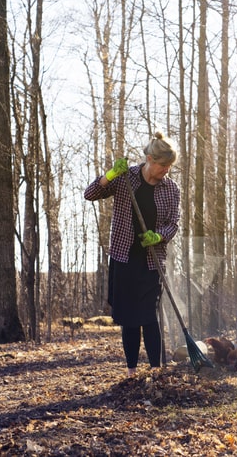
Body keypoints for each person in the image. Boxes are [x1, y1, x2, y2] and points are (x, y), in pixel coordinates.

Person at [84, 132, 179, 377]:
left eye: (169, 166)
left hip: (152, 260)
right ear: (149, 159)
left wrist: (158, 236)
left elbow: (173, 223)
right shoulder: (126, 178)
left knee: (149, 314)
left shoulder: (171, 189)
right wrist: (110, 175)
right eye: (163, 165)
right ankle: (131, 371)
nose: (166, 171)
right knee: (129, 317)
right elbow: (90, 194)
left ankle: (156, 370)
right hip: (124, 257)